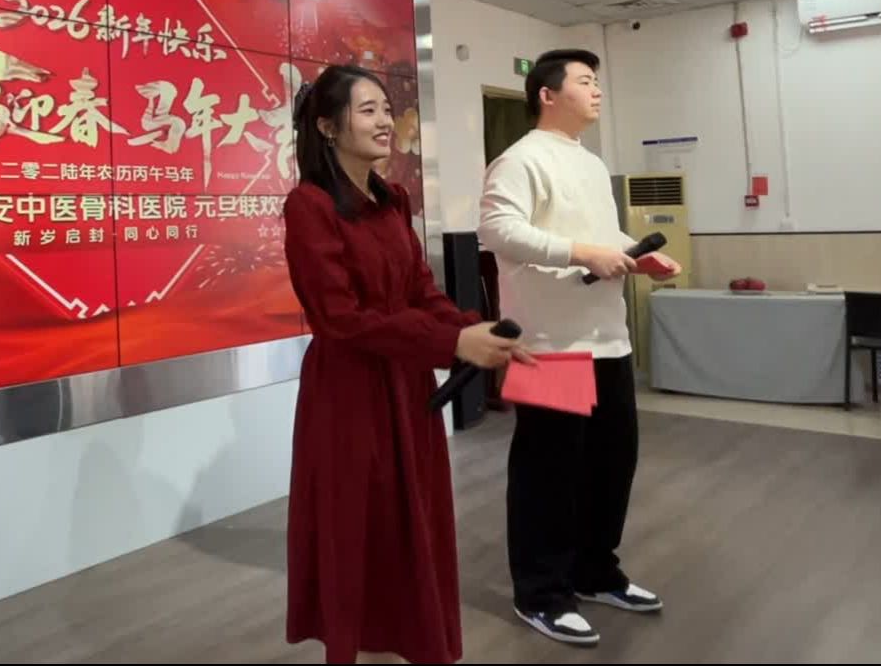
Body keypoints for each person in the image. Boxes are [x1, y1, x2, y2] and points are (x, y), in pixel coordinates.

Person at [283, 64, 528, 665]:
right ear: (327, 127)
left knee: (413, 519)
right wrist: (452, 343)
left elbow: (420, 289)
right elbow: (341, 319)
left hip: (406, 382)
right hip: (349, 392)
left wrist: (470, 328)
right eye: (367, 110)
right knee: (356, 526)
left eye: (387, 109)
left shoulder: (391, 200)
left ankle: (411, 639)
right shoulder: (309, 206)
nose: (385, 121)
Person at [477, 49, 681, 646]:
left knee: (611, 467)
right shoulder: (519, 159)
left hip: (608, 341)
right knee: (548, 475)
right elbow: (498, 230)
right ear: (547, 94)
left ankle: (595, 571)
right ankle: (540, 594)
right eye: (585, 81)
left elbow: (600, 235)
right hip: (549, 345)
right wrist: (581, 252)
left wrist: (635, 255)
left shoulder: (589, 163)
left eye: (597, 82)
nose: (597, 91)